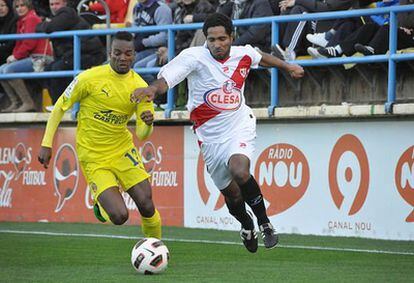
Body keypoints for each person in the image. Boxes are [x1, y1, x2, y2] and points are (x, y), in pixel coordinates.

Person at [130, 13, 304, 252]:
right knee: (232, 196)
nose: (217, 44)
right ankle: (246, 224)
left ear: (231, 37)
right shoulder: (193, 57)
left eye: (222, 39)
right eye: (212, 39)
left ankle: (265, 224)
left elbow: (261, 57)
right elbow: (167, 79)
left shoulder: (242, 53)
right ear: (206, 39)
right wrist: (152, 89)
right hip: (209, 138)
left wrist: (288, 66)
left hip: (239, 124)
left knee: (240, 171)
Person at [38, 31, 162, 239]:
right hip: (93, 156)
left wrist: (148, 123)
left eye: (128, 53)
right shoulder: (89, 78)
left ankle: (156, 248)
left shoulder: (140, 87)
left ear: (134, 55)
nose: (122, 58)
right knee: (120, 216)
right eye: (117, 53)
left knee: (146, 204)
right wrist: (46, 143)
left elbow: (142, 134)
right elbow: (59, 107)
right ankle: (101, 202)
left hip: (122, 151)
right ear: (109, 52)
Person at [36, 0, 106, 104]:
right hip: (73, 54)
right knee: (48, 69)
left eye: (57, 3)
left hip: (89, 54)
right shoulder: (57, 17)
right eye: (52, 4)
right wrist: (45, 25)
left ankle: (61, 104)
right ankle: (57, 103)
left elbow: (50, 27)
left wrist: (45, 25)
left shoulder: (67, 13)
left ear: (64, 3)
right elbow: (39, 28)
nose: (54, 7)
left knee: (57, 69)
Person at [0, 0, 53, 112]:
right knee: (1, 70)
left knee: (9, 70)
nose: (20, 8)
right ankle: (15, 102)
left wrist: (16, 57)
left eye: (22, 5)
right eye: (17, 6)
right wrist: (14, 56)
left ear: (28, 6)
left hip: (40, 57)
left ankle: (28, 103)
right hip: (30, 57)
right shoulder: (21, 21)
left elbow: (30, 42)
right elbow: (19, 43)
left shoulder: (31, 18)